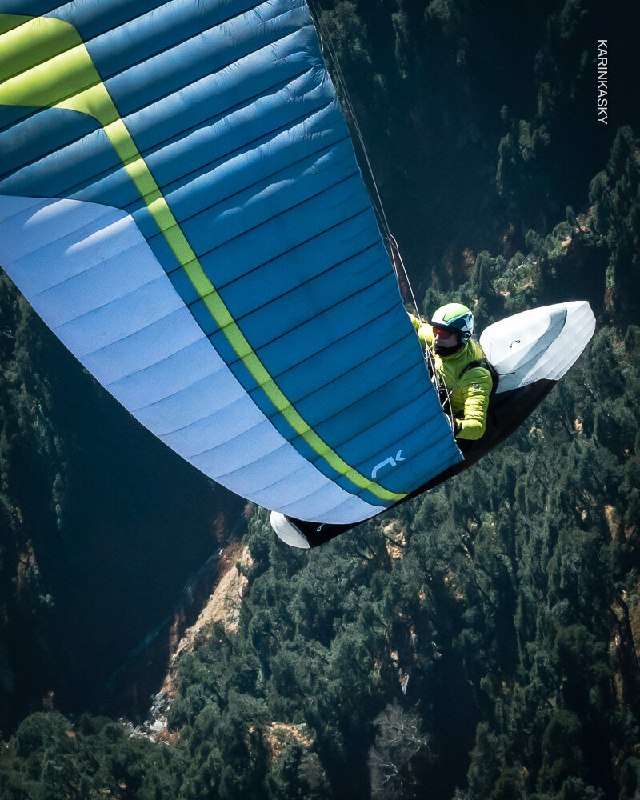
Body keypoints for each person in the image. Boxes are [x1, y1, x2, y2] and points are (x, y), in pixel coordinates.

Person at [409, 302, 494, 443]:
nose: (437, 338)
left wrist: (450, 424)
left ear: (462, 336)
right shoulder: (441, 341)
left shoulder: (475, 376)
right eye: (436, 330)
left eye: (444, 334)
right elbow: (416, 327)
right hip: (429, 400)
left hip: (445, 417)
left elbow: (477, 428)